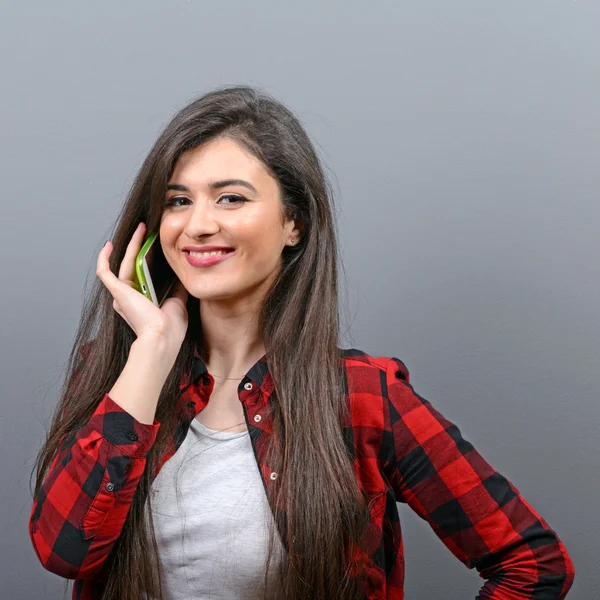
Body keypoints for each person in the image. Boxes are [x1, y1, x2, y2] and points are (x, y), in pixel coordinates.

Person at [28, 85, 575, 600]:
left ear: (294, 223)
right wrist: (149, 351)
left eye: (231, 199)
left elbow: (533, 564)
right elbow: (64, 551)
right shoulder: (124, 376)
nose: (197, 224)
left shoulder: (363, 399)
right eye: (177, 200)